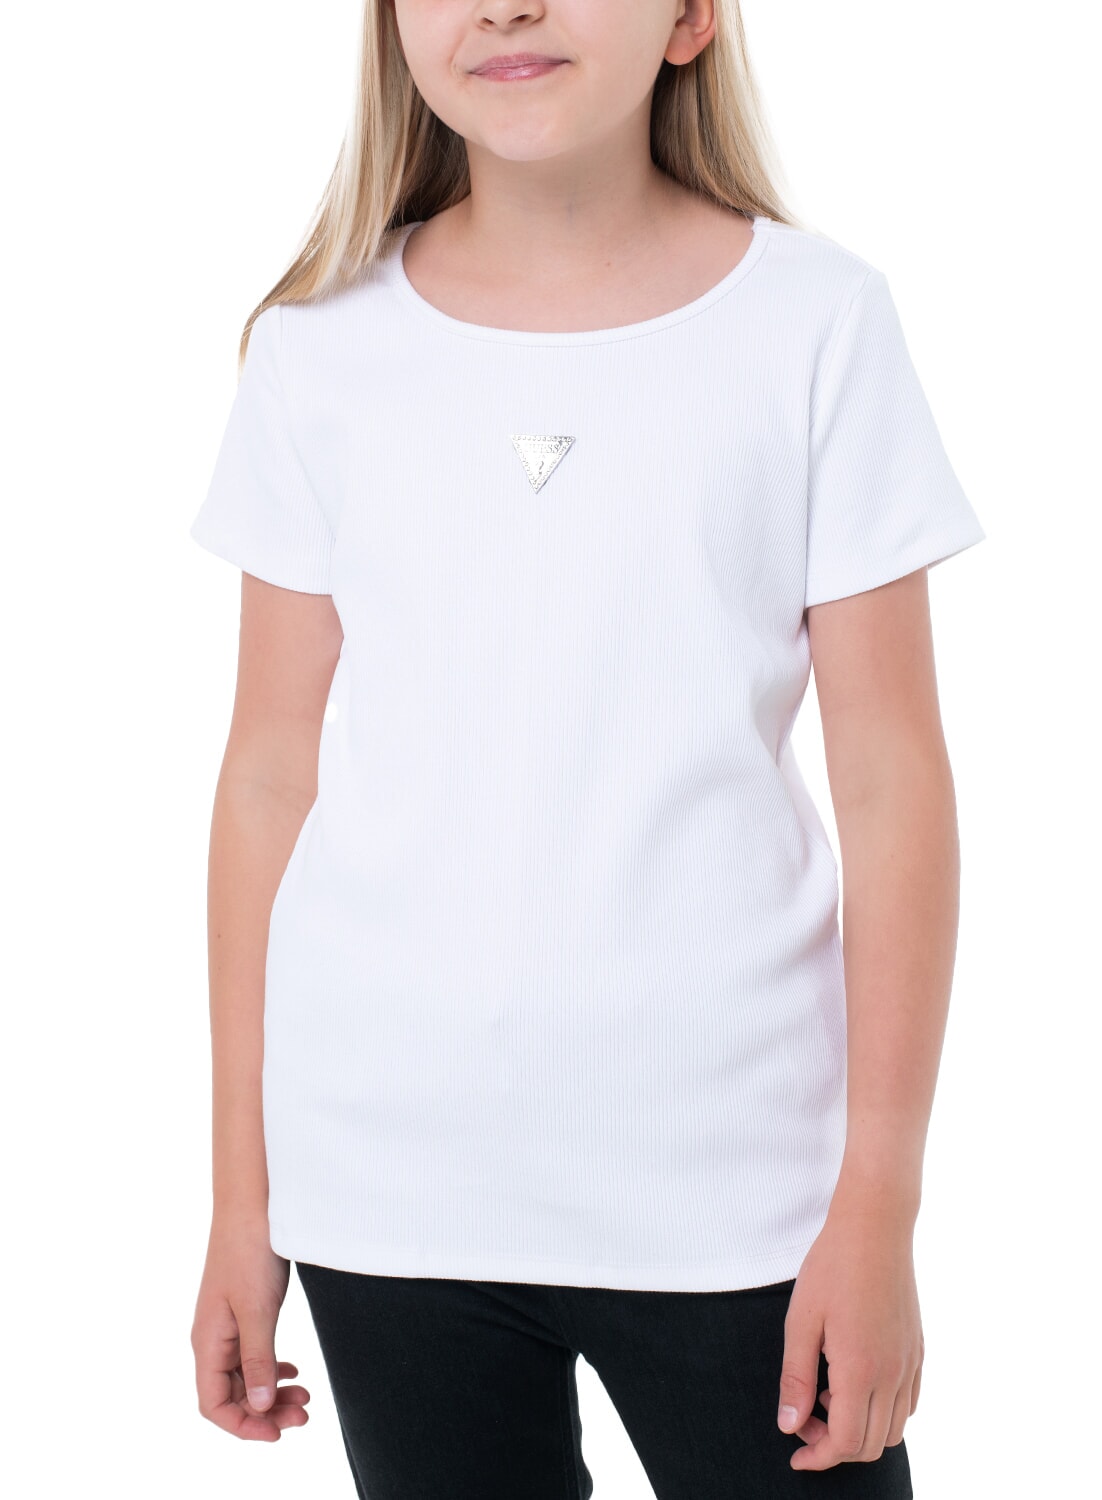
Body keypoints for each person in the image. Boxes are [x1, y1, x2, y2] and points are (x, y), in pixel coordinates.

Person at [187, 2, 985, 1495]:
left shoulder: (814, 324)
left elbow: (893, 784)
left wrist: (878, 1204)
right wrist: (245, 1203)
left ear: (689, 16)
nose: (505, 4)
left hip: (736, 1188)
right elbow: (267, 780)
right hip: (390, 1188)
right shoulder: (317, 351)